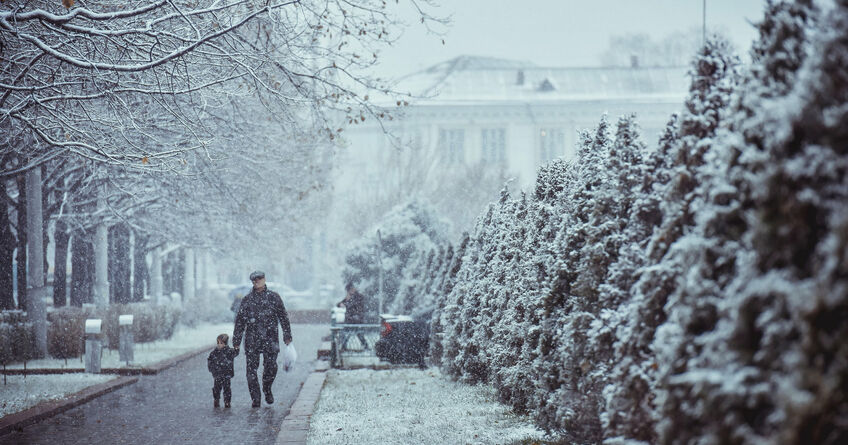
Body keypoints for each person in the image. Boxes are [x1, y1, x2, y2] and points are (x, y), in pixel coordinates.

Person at [233, 271, 293, 408]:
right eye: (254, 280)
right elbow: (240, 322)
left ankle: (267, 388)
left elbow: (283, 317)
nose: (257, 282)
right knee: (251, 370)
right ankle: (255, 398)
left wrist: (287, 335)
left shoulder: (274, 297)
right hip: (252, 339)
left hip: (270, 337)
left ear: (264, 279)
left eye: (259, 279)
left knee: (271, 367)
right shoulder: (247, 300)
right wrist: (236, 342)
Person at [207, 333, 239, 408]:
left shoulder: (229, 352)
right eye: (218, 343)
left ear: (225, 343)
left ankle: (227, 401)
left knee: (227, 389)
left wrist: (237, 348)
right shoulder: (214, 353)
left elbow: (235, 353)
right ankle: (216, 400)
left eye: (221, 343)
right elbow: (210, 360)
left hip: (226, 374)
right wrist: (212, 369)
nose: (219, 345)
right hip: (217, 374)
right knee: (216, 388)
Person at [337, 282, 369, 351]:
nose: (351, 291)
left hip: (357, 319)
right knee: (347, 334)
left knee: (359, 334)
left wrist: (347, 301)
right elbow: (339, 304)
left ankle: (366, 346)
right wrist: (341, 304)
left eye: (351, 289)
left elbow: (354, 305)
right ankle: (343, 347)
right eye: (349, 290)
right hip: (350, 319)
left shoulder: (359, 296)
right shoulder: (349, 297)